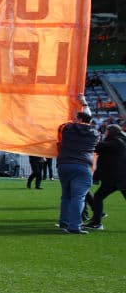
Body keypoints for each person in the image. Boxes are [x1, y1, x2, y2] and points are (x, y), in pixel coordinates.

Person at [56, 98, 99, 234]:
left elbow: (65, 125)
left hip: (64, 165)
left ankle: (64, 222)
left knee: (66, 196)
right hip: (82, 166)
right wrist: (84, 104)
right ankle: (74, 226)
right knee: (78, 197)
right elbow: (88, 121)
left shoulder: (67, 129)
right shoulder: (94, 134)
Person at [84, 123, 126, 230]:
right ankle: (96, 222)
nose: (105, 132)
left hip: (116, 178)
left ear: (111, 132)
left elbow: (98, 147)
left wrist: (94, 137)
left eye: (107, 130)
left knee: (98, 197)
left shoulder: (116, 142)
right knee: (98, 196)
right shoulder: (119, 141)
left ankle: (97, 223)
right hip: (118, 177)